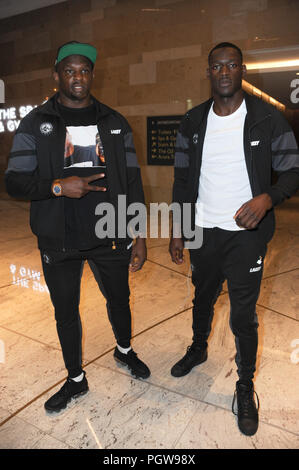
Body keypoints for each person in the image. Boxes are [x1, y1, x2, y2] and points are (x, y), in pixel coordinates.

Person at [5, 41, 150, 413]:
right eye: (69, 71)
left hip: (110, 233)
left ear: (92, 74)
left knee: (119, 299)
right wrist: (56, 186)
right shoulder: (36, 123)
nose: (77, 77)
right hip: (60, 238)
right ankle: (75, 379)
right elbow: (15, 182)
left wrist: (138, 234)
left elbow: (133, 181)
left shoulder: (115, 122)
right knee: (65, 311)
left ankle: (124, 350)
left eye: (84, 70)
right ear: (57, 75)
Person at [169, 42, 299, 436]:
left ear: (242, 69)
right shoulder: (192, 122)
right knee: (202, 295)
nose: (224, 72)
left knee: (243, 313)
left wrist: (267, 198)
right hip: (203, 230)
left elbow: (293, 173)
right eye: (216, 66)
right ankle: (198, 347)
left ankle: (244, 385)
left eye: (231, 65)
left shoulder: (268, 120)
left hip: (247, 235)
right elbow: (180, 180)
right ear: (208, 71)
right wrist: (178, 228)